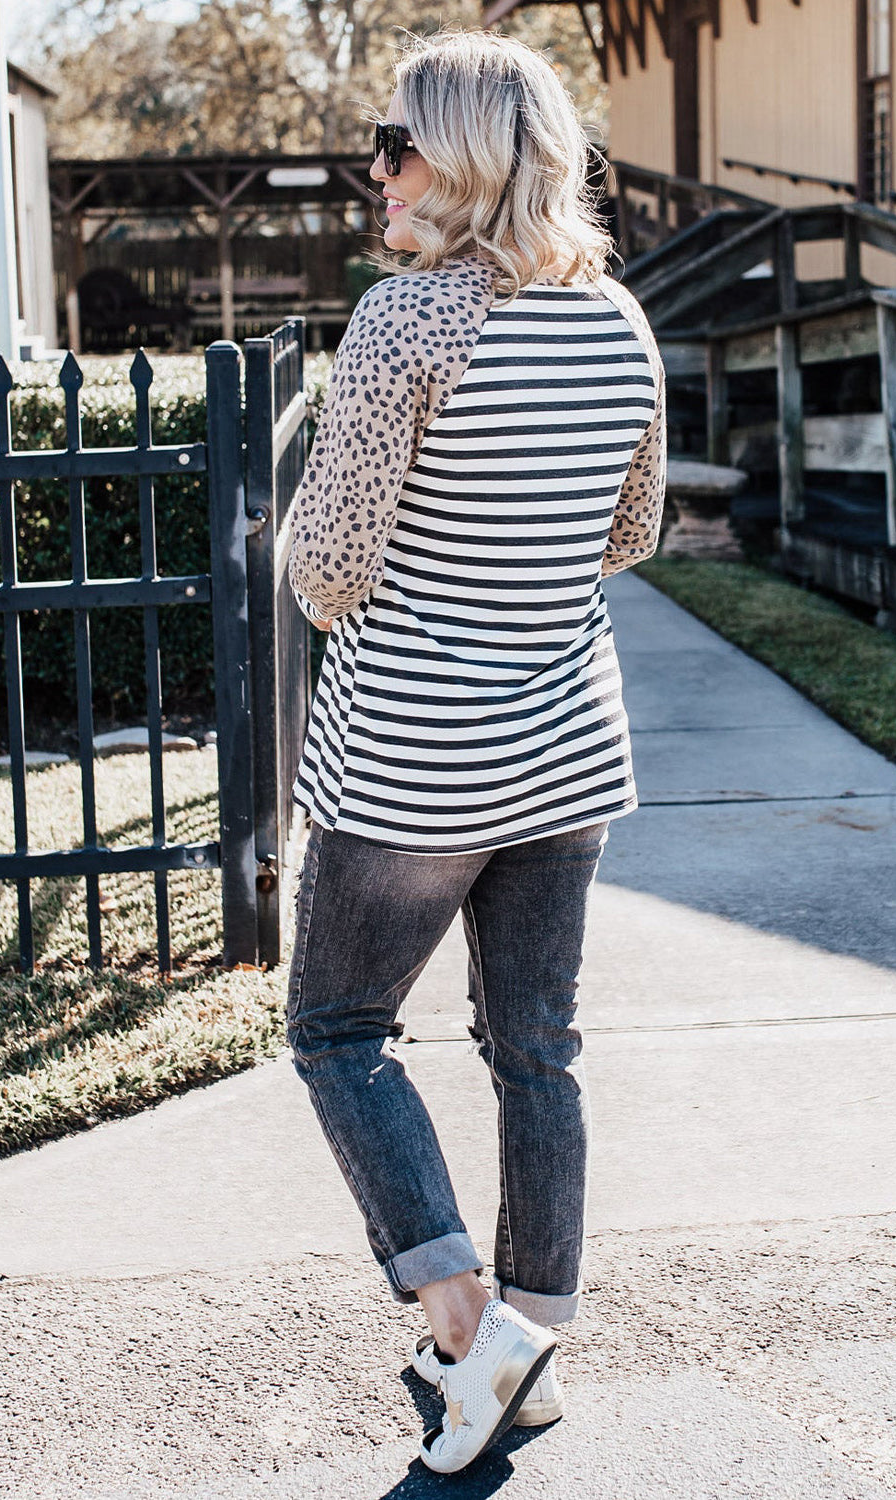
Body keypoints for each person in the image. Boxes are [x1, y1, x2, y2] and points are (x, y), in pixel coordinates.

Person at [286, 26, 666, 1475]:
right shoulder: (614, 321)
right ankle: (531, 1346)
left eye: (393, 142)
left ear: (457, 159)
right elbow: (629, 537)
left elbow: (325, 571)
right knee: (536, 1052)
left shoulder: (409, 322)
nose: (372, 170)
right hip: (563, 748)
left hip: (414, 764)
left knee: (335, 1030)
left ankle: (466, 1329)